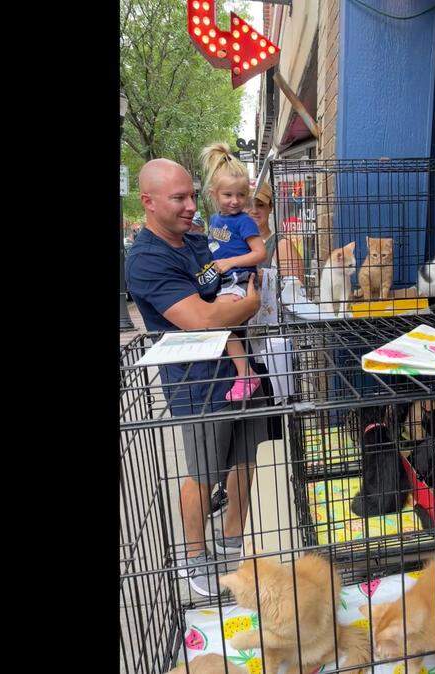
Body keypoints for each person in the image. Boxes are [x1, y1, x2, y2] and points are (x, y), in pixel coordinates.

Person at [125, 158, 266, 597]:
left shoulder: (197, 240)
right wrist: (246, 305)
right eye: (179, 198)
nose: (191, 205)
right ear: (148, 202)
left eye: (192, 195)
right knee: (203, 473)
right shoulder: (146, 260)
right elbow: (202, 319)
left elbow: (221, 288)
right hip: (197, 384)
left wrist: (231, 301)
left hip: (239, 370)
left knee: (245, 460)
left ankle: (231, 541)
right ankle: (195, 555)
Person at [199, 143, 268, 401]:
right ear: (213, 193)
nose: (235, 201)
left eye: (240, 195)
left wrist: (230, 262)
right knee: (226, 327)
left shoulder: (244, 221)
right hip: (222, 279)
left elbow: (260, 253)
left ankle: (246, 374)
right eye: (228, 194)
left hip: (238, 277)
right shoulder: (216, 220)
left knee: (221, 324)